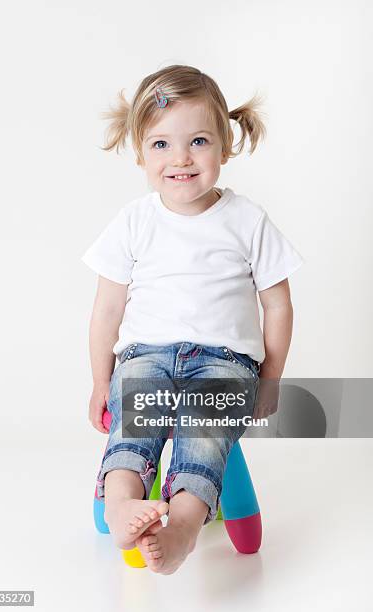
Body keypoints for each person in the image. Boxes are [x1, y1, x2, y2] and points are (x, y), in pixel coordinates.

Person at [81, 64, 304, 574]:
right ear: (140, 152)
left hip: (224, 363)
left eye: (198, 141)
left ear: (225, 147)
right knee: (135, 430)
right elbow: (107, 310)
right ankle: (120, 507)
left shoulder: (247, 220)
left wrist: (271, 377)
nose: (180, 158)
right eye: (161, 145)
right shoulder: (134, 222)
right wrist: (100, 381)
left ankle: (182, 523)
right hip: (146, 357)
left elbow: (278, 304)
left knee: (203, 428)